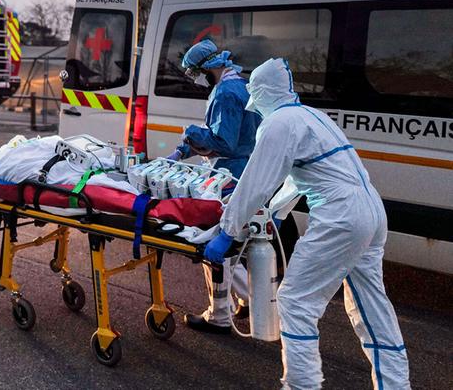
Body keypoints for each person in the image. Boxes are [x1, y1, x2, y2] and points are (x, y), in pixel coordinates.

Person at [205, 58, 410, 389]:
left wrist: (227, 232)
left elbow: (255, 181)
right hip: (371, 209)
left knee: (295, 301)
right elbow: (297, 177)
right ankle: (396, 385)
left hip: (341, 215)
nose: (256, 110)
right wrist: (273, 213)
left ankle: (301, 385)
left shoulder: (279, 124)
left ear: (263, 95)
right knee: (371, 307)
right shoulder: (312, 116)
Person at [165, 39, 261, 335]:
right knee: (228, 245)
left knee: (214, 245)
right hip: (244, 172)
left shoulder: (225, 93)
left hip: (231, 176)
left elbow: (223, 142)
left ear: (209, 67)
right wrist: (183, 151)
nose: (198, 80)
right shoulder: (240, 86)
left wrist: (189, 135)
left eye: (197, 73)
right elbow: (224, 136)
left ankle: (247, 306)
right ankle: (228, 309)